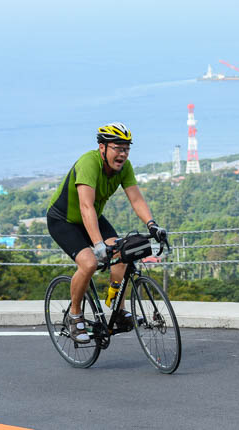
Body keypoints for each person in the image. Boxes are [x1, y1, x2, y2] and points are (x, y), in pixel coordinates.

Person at [46, 122, 166, 343]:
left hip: (92, 217)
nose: (122, 153)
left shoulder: (124, 167)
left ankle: (118, 310)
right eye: (117, 148)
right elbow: (85, 206)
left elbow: (136, 198)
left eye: (126, 148)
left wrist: (152, 224)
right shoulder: (89, 163)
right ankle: (74, 315)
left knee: (123, 252)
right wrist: (99, 244)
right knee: (89, 263)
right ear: (102, 147)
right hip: (64, 220)